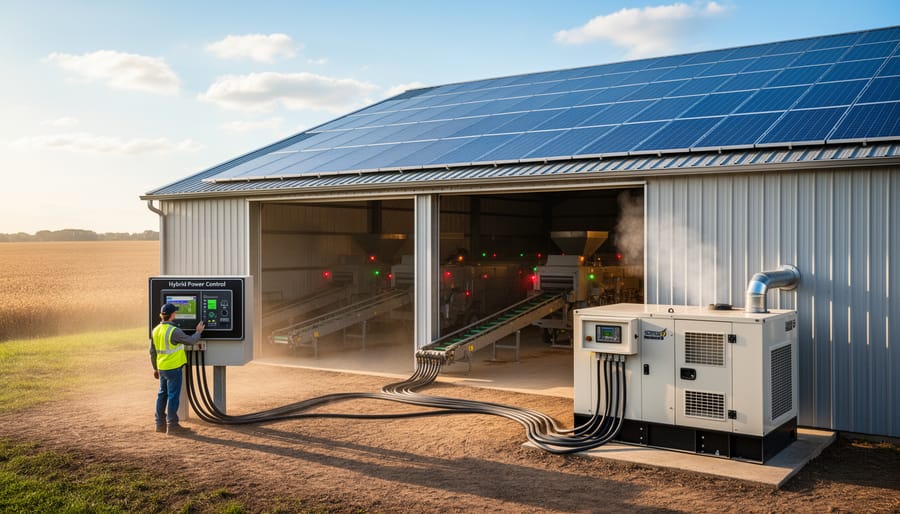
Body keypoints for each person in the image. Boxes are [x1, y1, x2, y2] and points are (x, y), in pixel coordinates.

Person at [150, 303, 205, 434]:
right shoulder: (174, 331)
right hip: (173, 368)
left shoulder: (156, 329)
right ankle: (173, 426)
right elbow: (191, 341)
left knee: (162, 395)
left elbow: (152, 351)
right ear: (172, 315)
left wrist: (155, 368)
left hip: (162, 367)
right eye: (175, 312)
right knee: (173, 396)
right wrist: (198, 332)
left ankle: (159, 425)